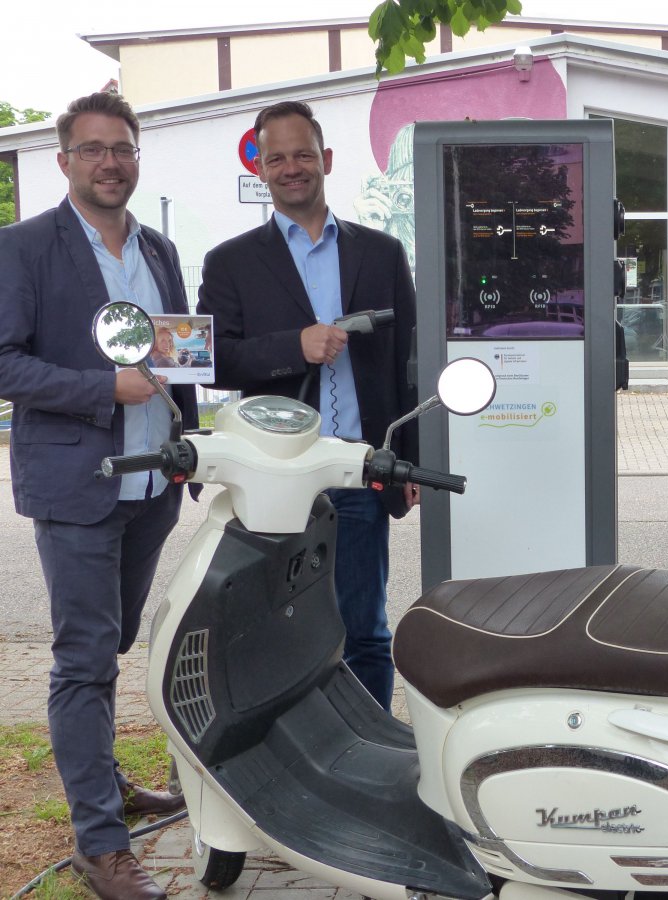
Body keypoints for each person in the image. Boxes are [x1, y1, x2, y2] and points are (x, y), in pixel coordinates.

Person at [0, 92, 197, 900]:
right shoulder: (22, 247)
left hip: (153, 484)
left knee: (109, 647)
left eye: (124, 147)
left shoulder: (159, 247)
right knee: (83, 661)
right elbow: (3, 362)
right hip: (77, 485)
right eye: (94, 149)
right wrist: (98, 388)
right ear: (65, 160)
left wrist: (189, 433)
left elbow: (180, 354)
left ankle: (107, 783)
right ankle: (100, 846)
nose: (111, 161)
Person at [198, 100, 417, 712]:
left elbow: (410, 359)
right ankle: (284, 760)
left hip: (357, 470)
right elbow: (215, 361)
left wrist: (410, 460)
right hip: (272, 475)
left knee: (365, 630)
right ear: (260, 170)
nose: (290, 167)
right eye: (276, 158)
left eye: (302, 154)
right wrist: (295, 346)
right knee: (271, 629)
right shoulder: (231, 262)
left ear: (326, 160)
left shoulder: (381, 253)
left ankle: (370, 751)